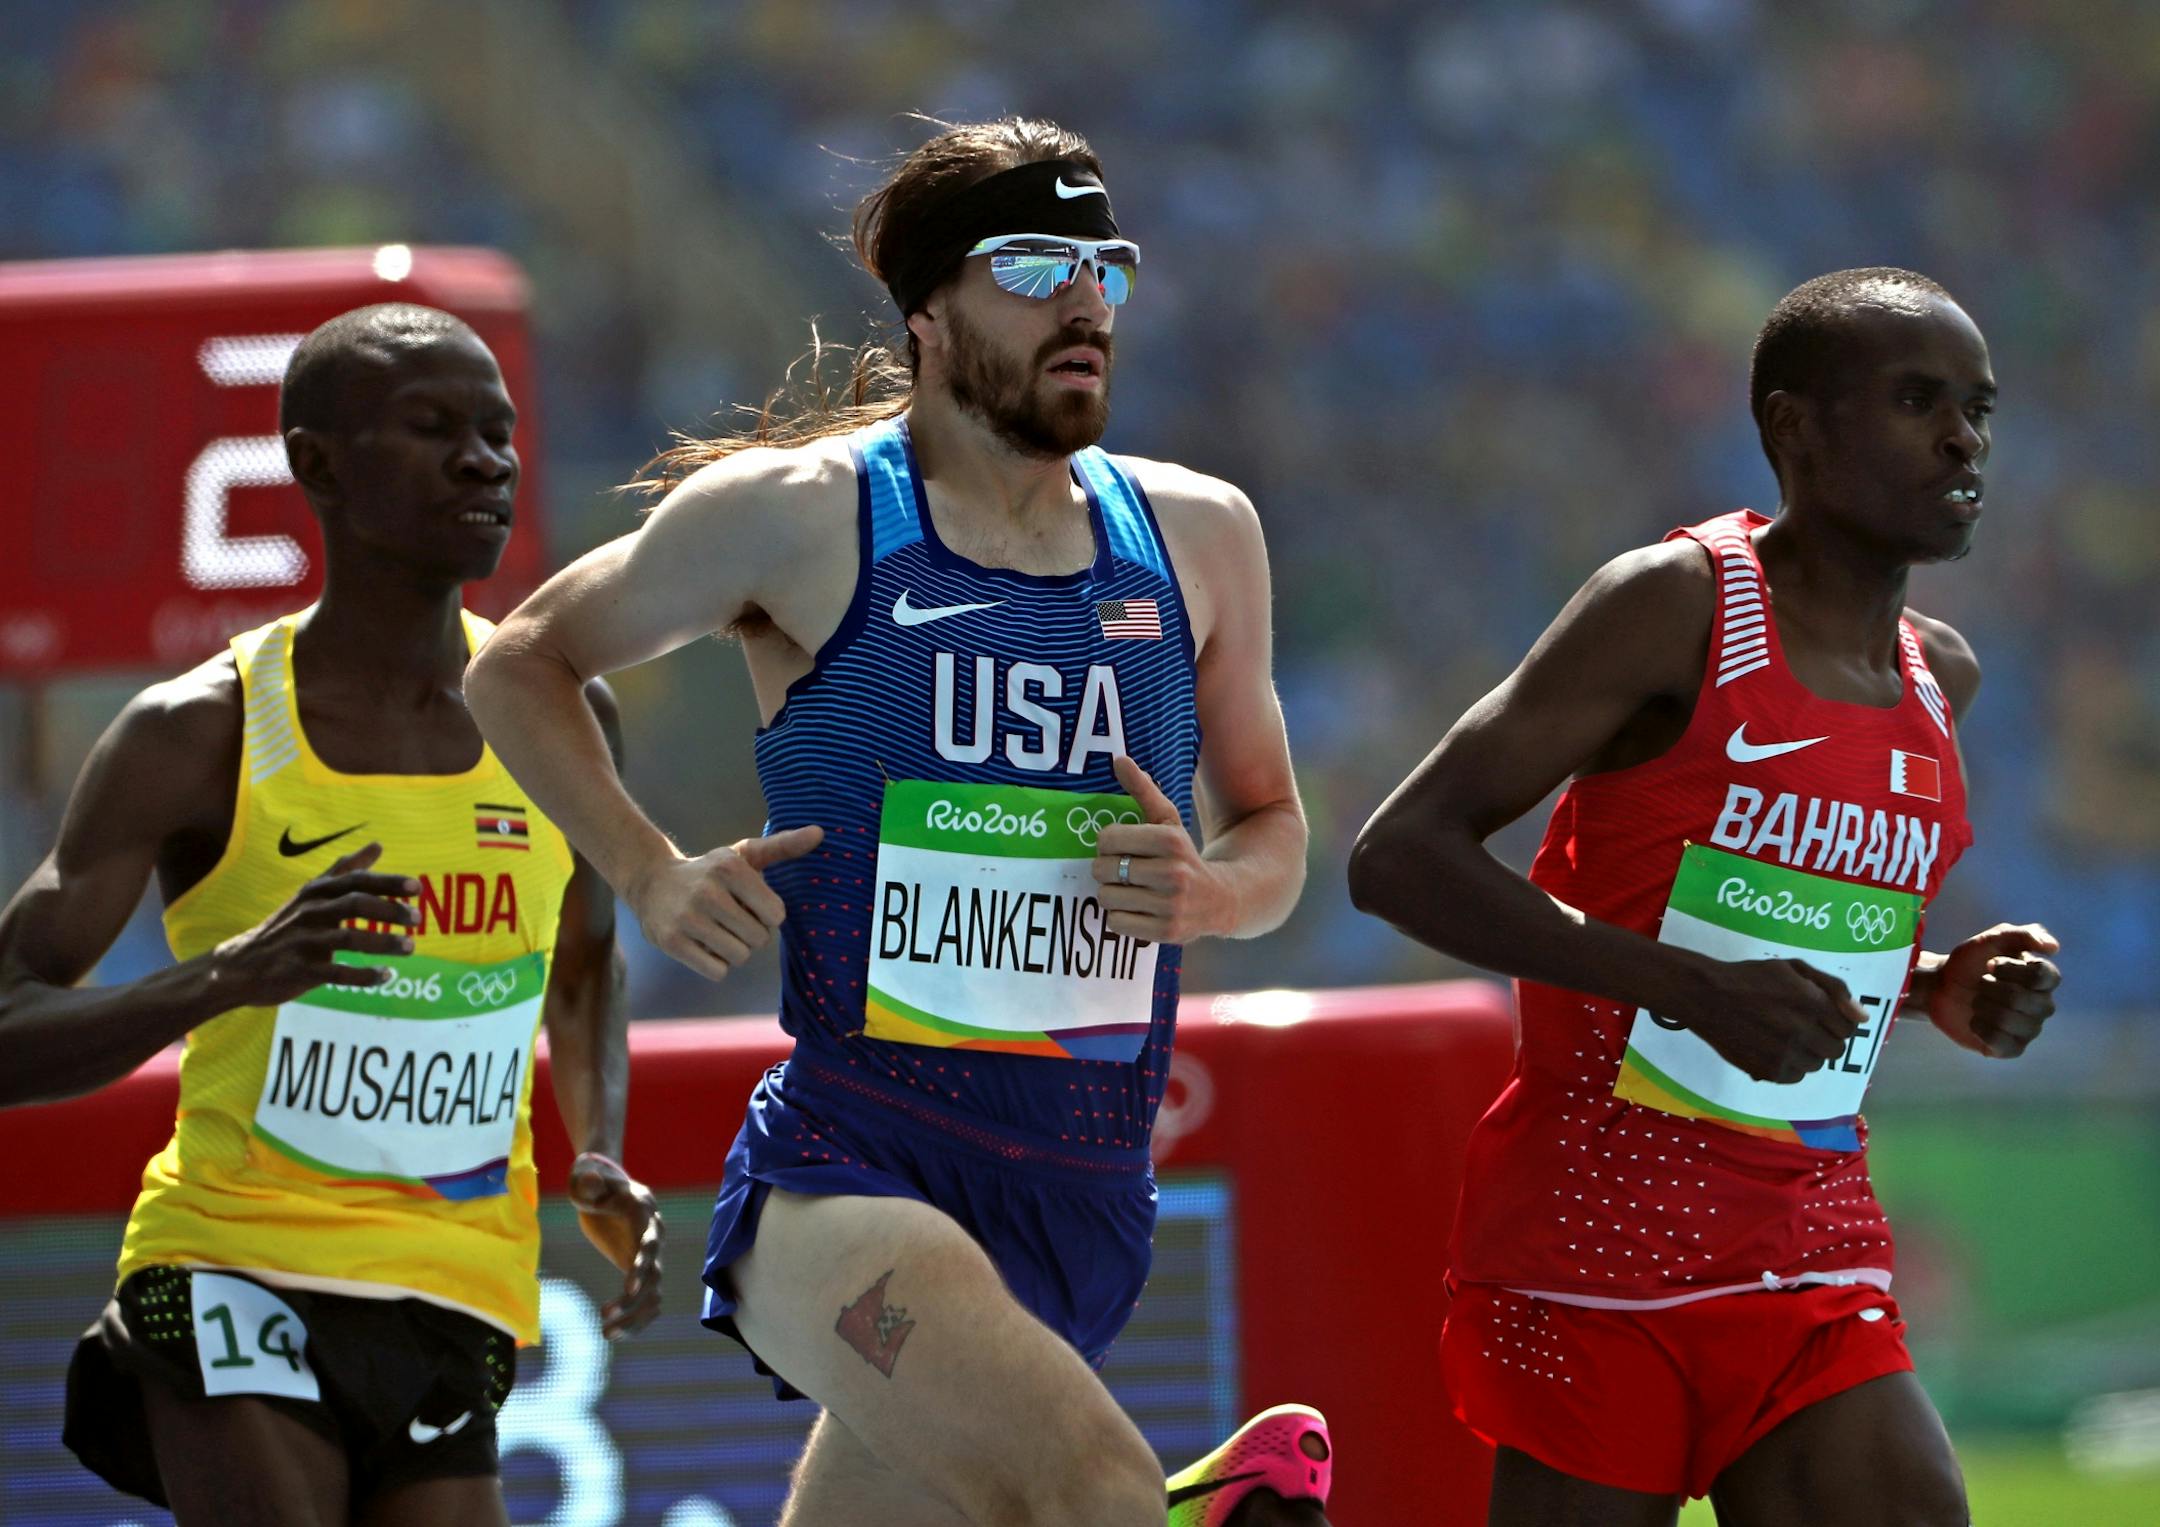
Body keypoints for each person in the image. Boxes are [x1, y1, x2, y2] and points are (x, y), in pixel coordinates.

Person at [467, 118, 1330, 1527]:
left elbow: (1275, 833)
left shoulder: (1199, 535)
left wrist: (1209, 893)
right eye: (1036, 264)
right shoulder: (800, 519)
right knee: (1098, 1489)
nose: (1086, 301)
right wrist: (650, 869)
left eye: (1105, 264)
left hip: (1086, 1200)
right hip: (846, 1175)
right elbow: (517, 661)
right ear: (929, 313)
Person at [1349, 267, 2063, 1527]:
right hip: (1596, 1254)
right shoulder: (1675, 606)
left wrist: (1935, 984)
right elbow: (1401, 855)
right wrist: (1684, 992)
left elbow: (1773, 938)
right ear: (1797, 427)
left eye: (1979, 409)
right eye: (1917, 401)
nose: (1964, 438)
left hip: (1811, 1248)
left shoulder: (1939, 678)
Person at [0, 303, 663, 1527]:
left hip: (452, 1288)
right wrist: (221, 979)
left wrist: (603, 1148)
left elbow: (581, 969)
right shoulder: (194, 732)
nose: (484, 461)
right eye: (432, 430)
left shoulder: (565, 719)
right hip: (232, 1261)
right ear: (315, 466)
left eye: (499, 434)